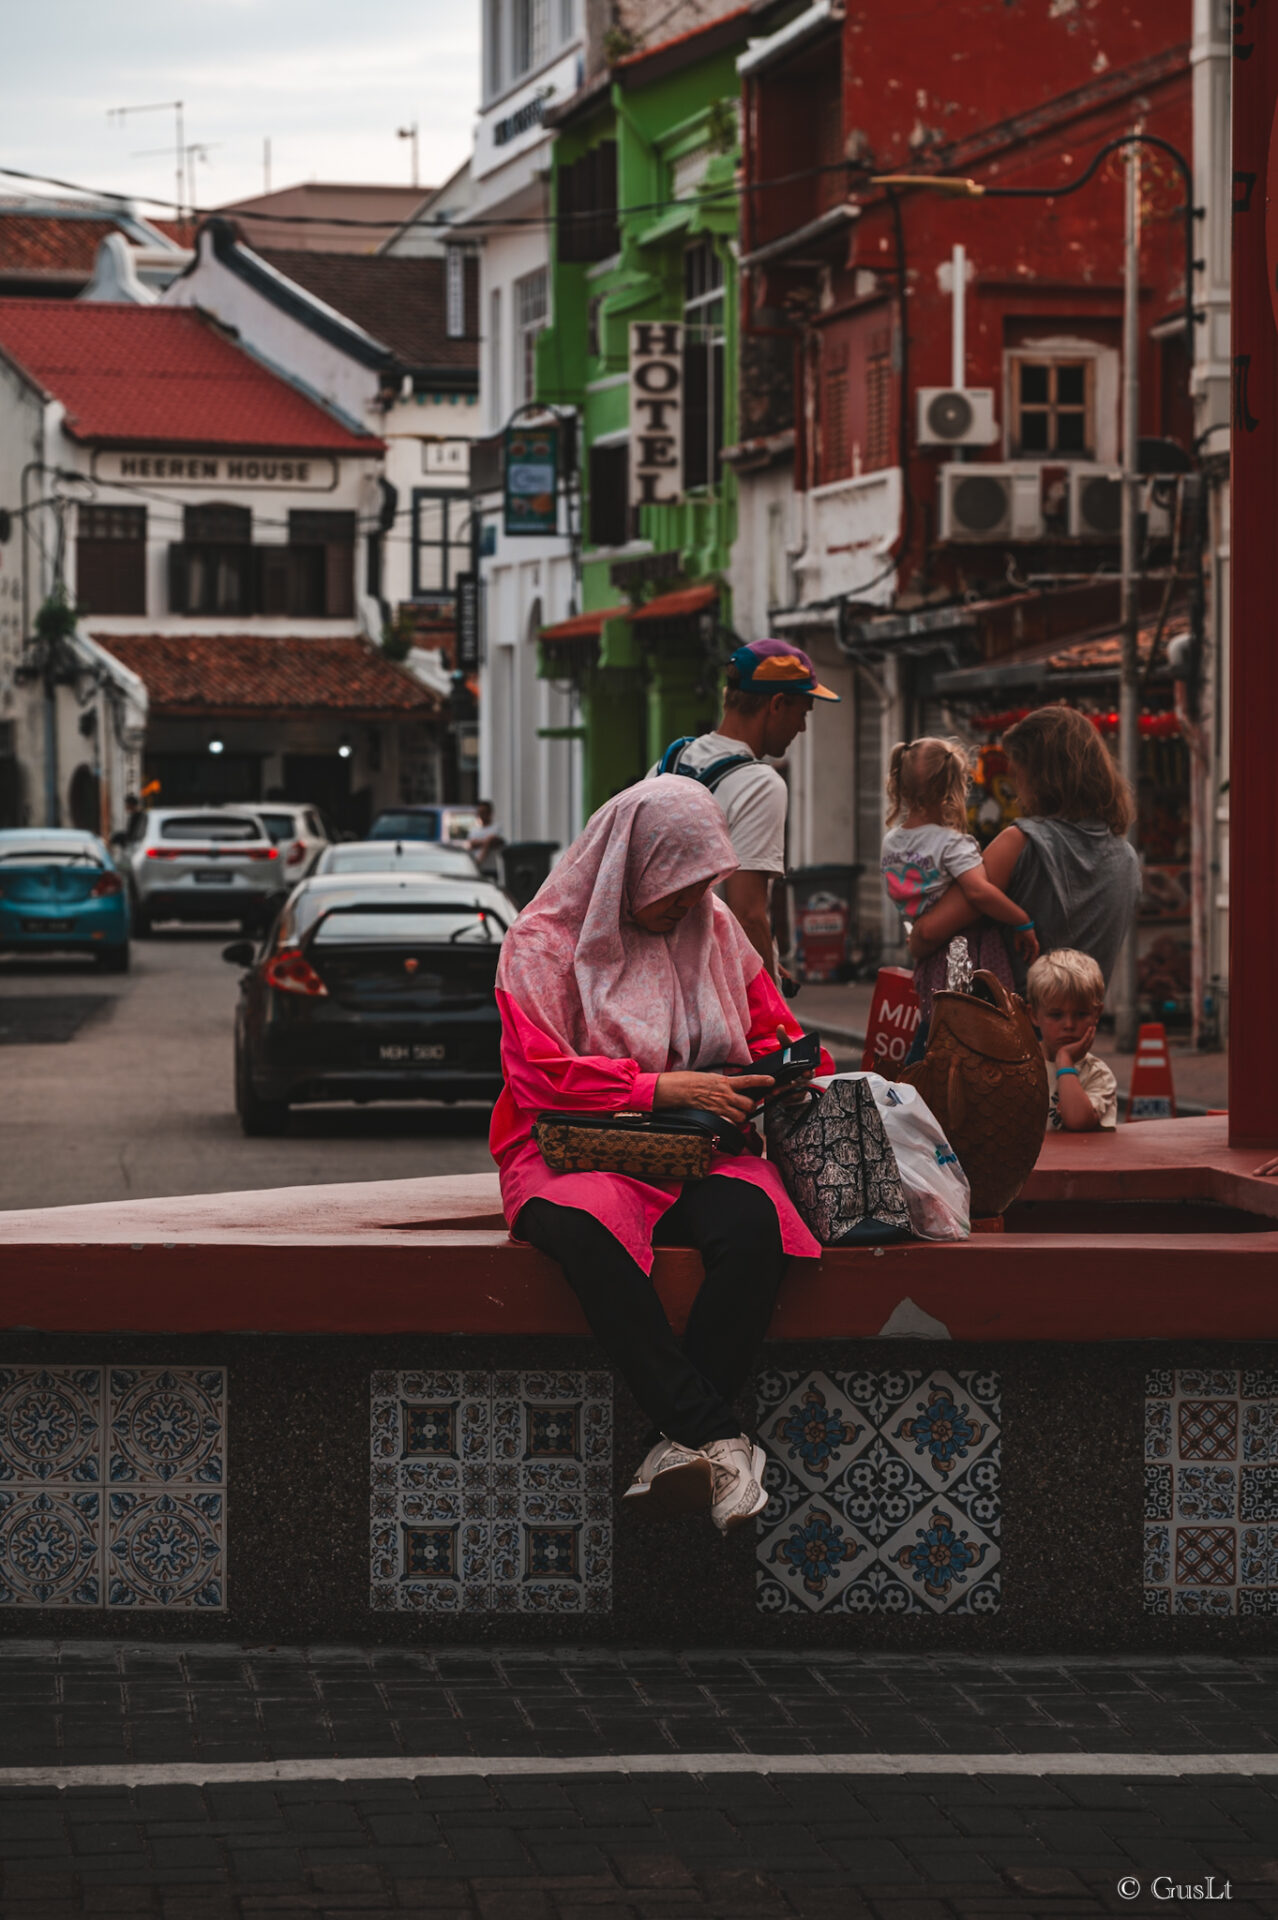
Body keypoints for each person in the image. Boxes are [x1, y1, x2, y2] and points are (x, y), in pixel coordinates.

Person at [490, 776, 832, 1535]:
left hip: (695, 1145)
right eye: (675, 885)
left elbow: (773, 1024)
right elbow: (538, 1074)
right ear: (629, 865)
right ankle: (719, 1437)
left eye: (702, 884)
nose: (691, 902)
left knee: (755, 1227)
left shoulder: (711, 928)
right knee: (588, 1230)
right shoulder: (540, 944)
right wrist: (663, 1086)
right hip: (571, 1147)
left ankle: (675, 1444)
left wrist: (785, 1066)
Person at [909, 705, 1140, 995]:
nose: (1018, 792)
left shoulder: (1021, 843)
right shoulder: (1127, 860)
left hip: (1000, 1028)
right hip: (1072, 1027)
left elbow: (928, 933)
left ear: (1041, 778)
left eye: (1018, 777)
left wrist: (914, 933)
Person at [649, 640, 840, 979]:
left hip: (664, 976)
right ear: (778, 705)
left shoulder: (671, 761)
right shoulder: (760, 784)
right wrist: (773, 1008)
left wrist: (770, 957)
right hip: (714, 988)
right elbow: (747, 913)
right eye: (803, 713)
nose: (802, 728)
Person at [882, 737, 1039, 1025]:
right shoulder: (953, 844)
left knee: (936, 1033)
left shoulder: (891, 842)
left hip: (927, 960)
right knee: (985, 1031)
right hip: (972, 951)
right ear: (953, 790)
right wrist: (1022, 919)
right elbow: (979, 893)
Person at [1027, 949, 1118, 1132]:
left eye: (1081, 1014)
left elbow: (1078, 1122)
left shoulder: (1097, 1075)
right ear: (1034, 1015)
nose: (1069, 1025)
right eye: (1056, 1015)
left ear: (1096, 1014)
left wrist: (1064, 1062)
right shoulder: (1021, 1067)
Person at [467, 800, 504, 870]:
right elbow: (471, 844)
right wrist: (487, 842)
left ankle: (479, 861)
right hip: (478, 869)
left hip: (493, 867)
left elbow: (499, 841)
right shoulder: (474, 830)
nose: (481, 815)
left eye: (484, 812)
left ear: (490, 813)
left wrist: (480, 843)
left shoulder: (497, 827)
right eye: (480, 812)